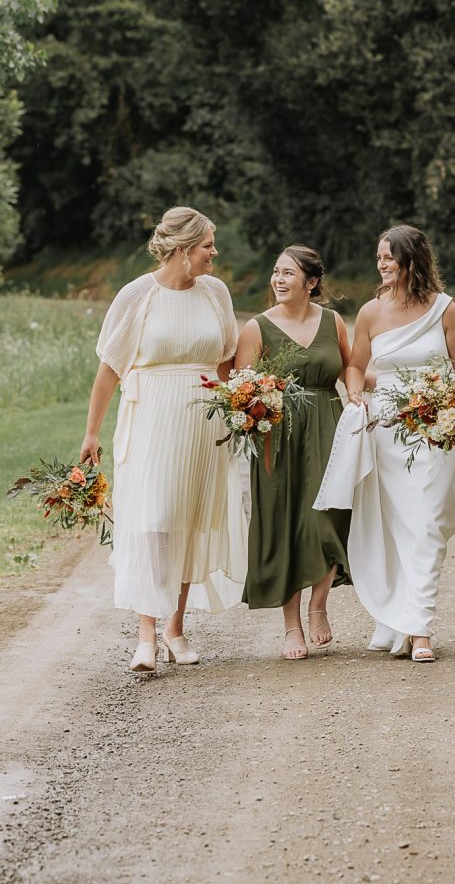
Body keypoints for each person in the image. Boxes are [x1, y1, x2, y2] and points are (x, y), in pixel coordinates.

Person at [81, 206, 247, 672]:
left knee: (189, 521)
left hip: (204, 423)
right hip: (152, 416)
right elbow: (110, 369)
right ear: (182, 249)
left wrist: (240, 408)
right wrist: (91, 432)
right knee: (152, 520)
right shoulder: (138, 295)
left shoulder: (216, 293)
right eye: (208, 245)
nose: (215, 252)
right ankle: (146, 635)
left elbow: (227, 361)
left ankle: (176, 629)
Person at [313, 225, 455, 661]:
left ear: (411, 261)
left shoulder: (445, 310)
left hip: (435, 428)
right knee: (393, 524)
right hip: (386, 428)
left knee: (427, 523)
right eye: (378, 256)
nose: (380, 264)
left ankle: (419, 628)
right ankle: (401, 620)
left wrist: (441, 398)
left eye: (388, 257)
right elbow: (356, 366)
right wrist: (358, 393)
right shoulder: (369, 312)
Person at [235, 246, 353, 660]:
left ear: (312, 282)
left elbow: (352, 368)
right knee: (286, 524)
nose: (279, 280)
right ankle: (292, 628)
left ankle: (319, 602)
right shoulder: (256, 328)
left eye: (288, 273)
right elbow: (242, 389)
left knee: (331, 517)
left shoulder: (333, 321)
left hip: (329, 424)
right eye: (275, 272)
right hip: (279, 434)